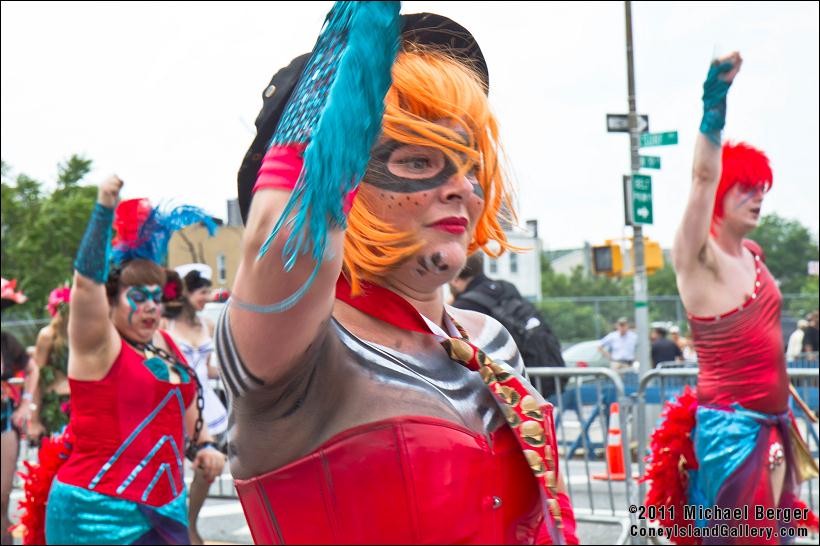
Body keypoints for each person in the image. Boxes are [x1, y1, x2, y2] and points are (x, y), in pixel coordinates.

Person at [218, 4, 577, 544]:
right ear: (344, 189)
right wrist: (351, 54)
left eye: (470, 164)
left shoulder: (490, 340)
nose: (462, 188)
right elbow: (287, 229)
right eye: (416, 162)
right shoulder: (299, 352)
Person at [642, 52, 818, 541]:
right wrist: (714, 102)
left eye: (761, 189)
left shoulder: (754, 254)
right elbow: (701, 177)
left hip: (775, 427)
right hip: (731, 435)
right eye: (745, 189)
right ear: (720, 194)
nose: (758, 198)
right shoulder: (699, 259)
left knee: (777, 537)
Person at [16, 179, 225, 545]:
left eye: (156, 298)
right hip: (95, 514)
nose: (150, 306)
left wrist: (205, 447)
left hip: (166, 510)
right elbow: (85, 287)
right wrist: (102, 211)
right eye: (139, 296)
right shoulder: (98, 346)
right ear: (110, 302)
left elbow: (189, 417)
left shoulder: (166, 344)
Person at [166, 263, 227, 545]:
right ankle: (177, 528)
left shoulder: (208, 324)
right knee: (172, 472)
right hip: (175, 406)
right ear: (185, 293)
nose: (207, 297)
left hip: (208, 409)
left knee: (207, 471)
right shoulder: (164, 325)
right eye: (202, 292)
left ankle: (191, 523)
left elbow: (208, 370)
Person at [450, 253, 567, 398]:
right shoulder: (506, 288)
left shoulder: (465, 306)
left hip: (510, 390)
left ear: (455, 279)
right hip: (545, 373)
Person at [1, 278, 40, 546]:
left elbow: (33, 368)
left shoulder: (6, 341)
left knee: (2, 497)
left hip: (4, 423)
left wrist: (26, 404)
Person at [31, 284, 73, 438]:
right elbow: (36, 377)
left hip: (80, 405)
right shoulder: (48, 336)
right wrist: (34, 420)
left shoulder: (83, 335)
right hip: (54, 406)